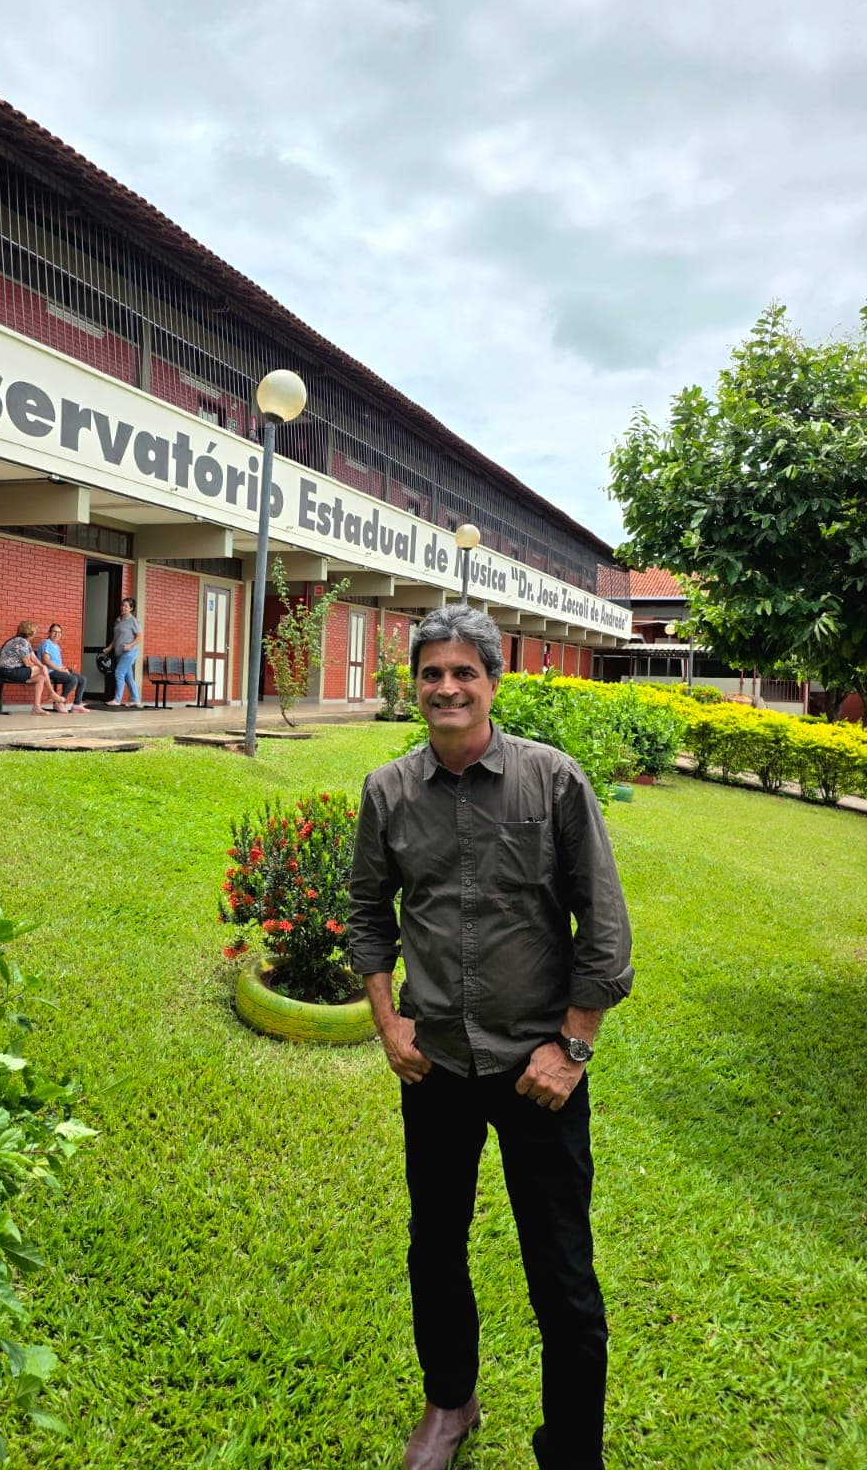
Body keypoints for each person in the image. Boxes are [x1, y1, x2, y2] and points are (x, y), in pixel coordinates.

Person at [347, 604, 633, 1470]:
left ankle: (571, 1449)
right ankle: (450, 1403)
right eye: (431, 673)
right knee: (434, 1247)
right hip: (435, 1067)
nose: (446, 688)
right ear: (415, 685)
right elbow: (368, 916)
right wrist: (387, 1021)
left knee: (563, 1274)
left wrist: (572, 1047)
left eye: (463, 672)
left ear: (493, 683)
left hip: (536, 1073)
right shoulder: (388, 791)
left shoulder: (551, 781)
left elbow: (606, 927)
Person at [0, 619, 69, 715]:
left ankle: (36, 708)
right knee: (42, 670)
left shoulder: (26, 642)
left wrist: (42, 666)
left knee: (41, 677)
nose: (35, 633)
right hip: (7, 671)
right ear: (31, 631)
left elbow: (34, 659)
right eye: (35, 631)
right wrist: (41, 668)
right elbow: (27, 663)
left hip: (15, 671)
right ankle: (51, 693)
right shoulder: (20, 642)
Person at [38, 623, 89, 712]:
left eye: (59, 632)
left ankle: (76, 705)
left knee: (82, 679)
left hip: (57, 670)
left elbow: (58, 664)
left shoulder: (57, 646)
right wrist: (60, 669)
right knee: (72, 679)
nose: (56, 634)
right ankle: (59, 703)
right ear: (49, 633)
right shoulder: (47, 643)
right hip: (49, 671)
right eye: (54, 631)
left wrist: (66, 668)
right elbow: (46, 661)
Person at [103, 596, 143, 708]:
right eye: (122, 606)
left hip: (129, 652)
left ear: (131, 608)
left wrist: (130, 645)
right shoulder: (118, 620)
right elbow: (116, 638)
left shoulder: (134, 622)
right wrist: (110, 648)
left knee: (119, 673)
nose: (123, 608)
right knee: (128, 676)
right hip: (119, 652)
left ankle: (117, 699)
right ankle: (135, 700)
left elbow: (140, 637)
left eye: (125, 606)